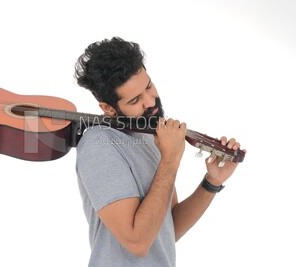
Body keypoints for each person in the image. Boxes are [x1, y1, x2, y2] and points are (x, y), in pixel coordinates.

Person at [74, 36, 244, 267]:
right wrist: (171, 158)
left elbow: (167, 229)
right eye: (135, 100)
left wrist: (212, 182)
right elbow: (137, 242)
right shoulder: (99, 145)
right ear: (107, 108)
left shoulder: (148, 134)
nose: (150, 102)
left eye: (148, 86)